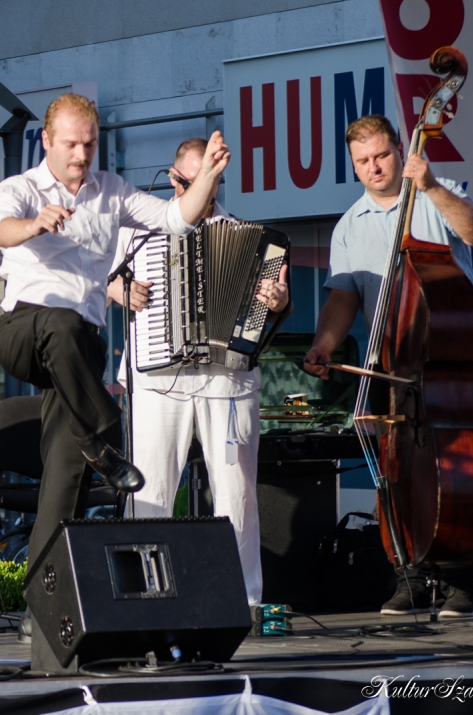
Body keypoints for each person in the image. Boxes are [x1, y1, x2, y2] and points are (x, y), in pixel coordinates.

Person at [0, 94, 230, 632]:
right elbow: (0, 231)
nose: (81, 155)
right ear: (47, 141)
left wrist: (209, 177)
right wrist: (35, 224)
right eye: (71, 144)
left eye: (90, 144)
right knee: (60, 323)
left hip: (79, 351)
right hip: (24, 330)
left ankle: (40, 607)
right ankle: (106, 432)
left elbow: (176, 218)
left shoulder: (113, 191)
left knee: (65, 475)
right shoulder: (21, 188)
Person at [303, 114, 473, 617]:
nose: (374, 167)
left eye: (382, 155)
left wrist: (430, 187)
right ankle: (409, 576)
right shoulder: (349, 225)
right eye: (363, 161)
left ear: (400, 150)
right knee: (399, 471)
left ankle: (459, 578)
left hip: (445, 360)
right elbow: (343, 298)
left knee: (455, 469)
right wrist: (324, 345)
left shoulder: (434, 194)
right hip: (391, 365)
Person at [106, 137, 290, 606]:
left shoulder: (248, 238)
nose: (203, 192)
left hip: (227, 379)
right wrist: (120, 290)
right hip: (155, 380)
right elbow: (99, 280)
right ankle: (142, 599)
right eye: (191, 182)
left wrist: (278, 302)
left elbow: (268, 312)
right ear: (174, 179)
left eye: (211, 182)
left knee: (237, 493)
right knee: (149, 490)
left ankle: (245, 600)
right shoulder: (138, 230)